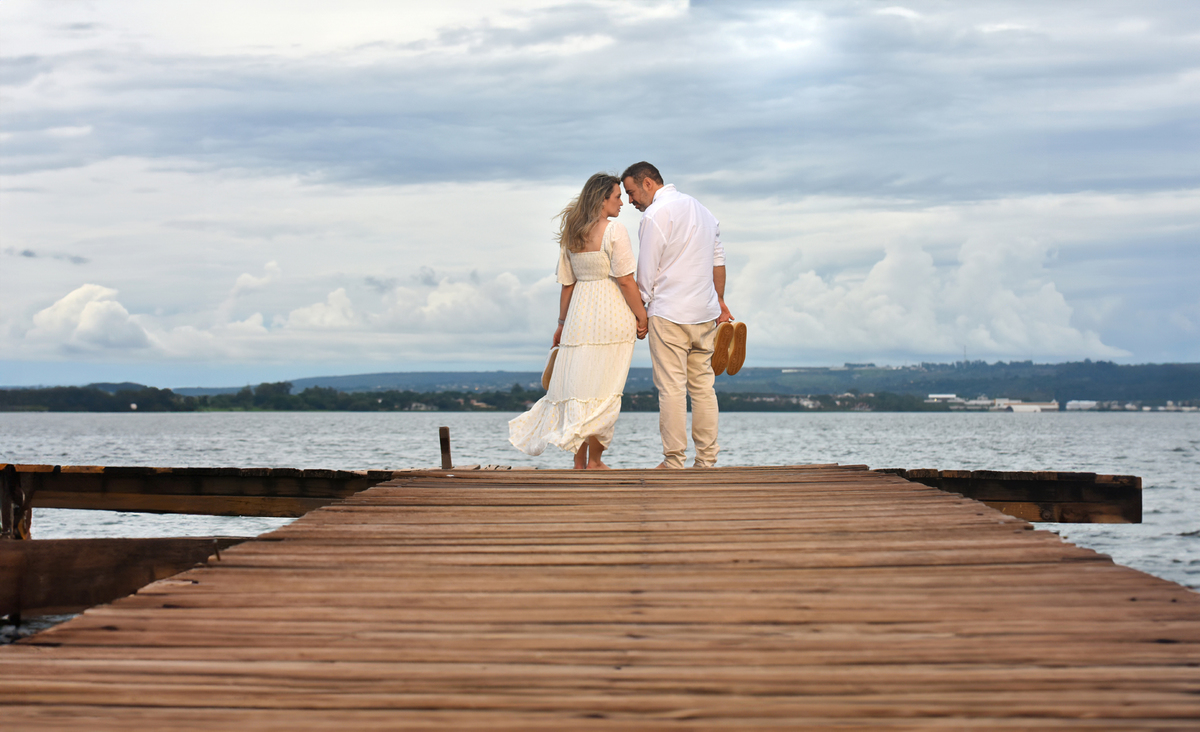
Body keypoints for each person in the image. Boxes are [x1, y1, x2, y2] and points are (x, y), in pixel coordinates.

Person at [509, 173, 648, 469]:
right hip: (611, 315)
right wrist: (642, 315)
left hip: (579, 318)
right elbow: (625, 281)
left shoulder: (572, 233)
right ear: (601, 200)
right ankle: (595, 460)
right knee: (605, 390)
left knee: (579, 389)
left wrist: (561, 324)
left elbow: (567, 284)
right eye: (616, 197)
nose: (622, 202)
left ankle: (579, 461)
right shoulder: (615, 231)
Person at [622, 162, 731, 469]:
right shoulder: (703, 211)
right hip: (705, 312)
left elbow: (647, 271)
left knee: (671, 388)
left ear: (647, 184)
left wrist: (640, 313)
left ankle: (673, 462)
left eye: (631, 192)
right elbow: (718, 262)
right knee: (703, 388)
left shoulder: (656, 215)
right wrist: (720, 301)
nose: (630, 201)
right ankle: (707, 461)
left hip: (669, 313)